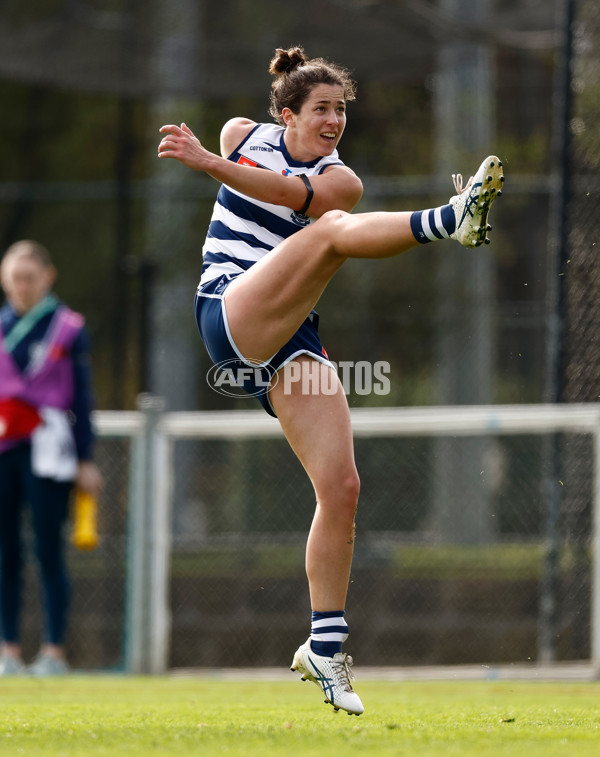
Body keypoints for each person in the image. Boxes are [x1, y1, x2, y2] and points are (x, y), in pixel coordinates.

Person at [157, 46, 504, 715]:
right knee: (328, 238)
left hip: (291, 338)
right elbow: (263, 179)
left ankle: (324, 647)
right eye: (321, 108)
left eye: (341, 109)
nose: (335, 120)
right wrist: (216, 158)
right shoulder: (241, 134)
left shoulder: (340, 180)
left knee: (341, 487)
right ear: (286, 113)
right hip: (230, 313)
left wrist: (208, 165)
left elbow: (288, 195)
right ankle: (450, 220)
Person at [0, 240, 103, 676]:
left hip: (50, 447)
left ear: (48, 277)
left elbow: (82, 397)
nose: (21, 287)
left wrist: (85, 459)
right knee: (5, 550)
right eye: (13, 278)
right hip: (5, 444)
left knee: (48, 548)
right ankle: (7, 650)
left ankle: (53, 650)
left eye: (29, 277)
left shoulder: (68, 327)